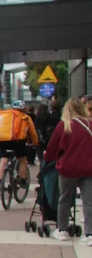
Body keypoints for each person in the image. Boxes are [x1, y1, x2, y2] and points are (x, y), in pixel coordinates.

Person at [44, 98, 92, 244]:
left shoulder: (64, 125)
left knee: (64, 198)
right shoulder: (90, 123)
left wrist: (49, 160)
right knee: (89, 201)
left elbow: (52, 148)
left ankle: (63, 230)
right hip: (89, 167)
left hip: (68, 168)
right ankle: (90, 233)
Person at [0, 101, 38, 192]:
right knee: (22, 160)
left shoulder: (5, 116)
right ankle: (22, 180)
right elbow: (33, 133)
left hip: (5, 141)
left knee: (3, 161)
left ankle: (0, 183)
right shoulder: (26, 117)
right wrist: (35, 143)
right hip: (19, 142)